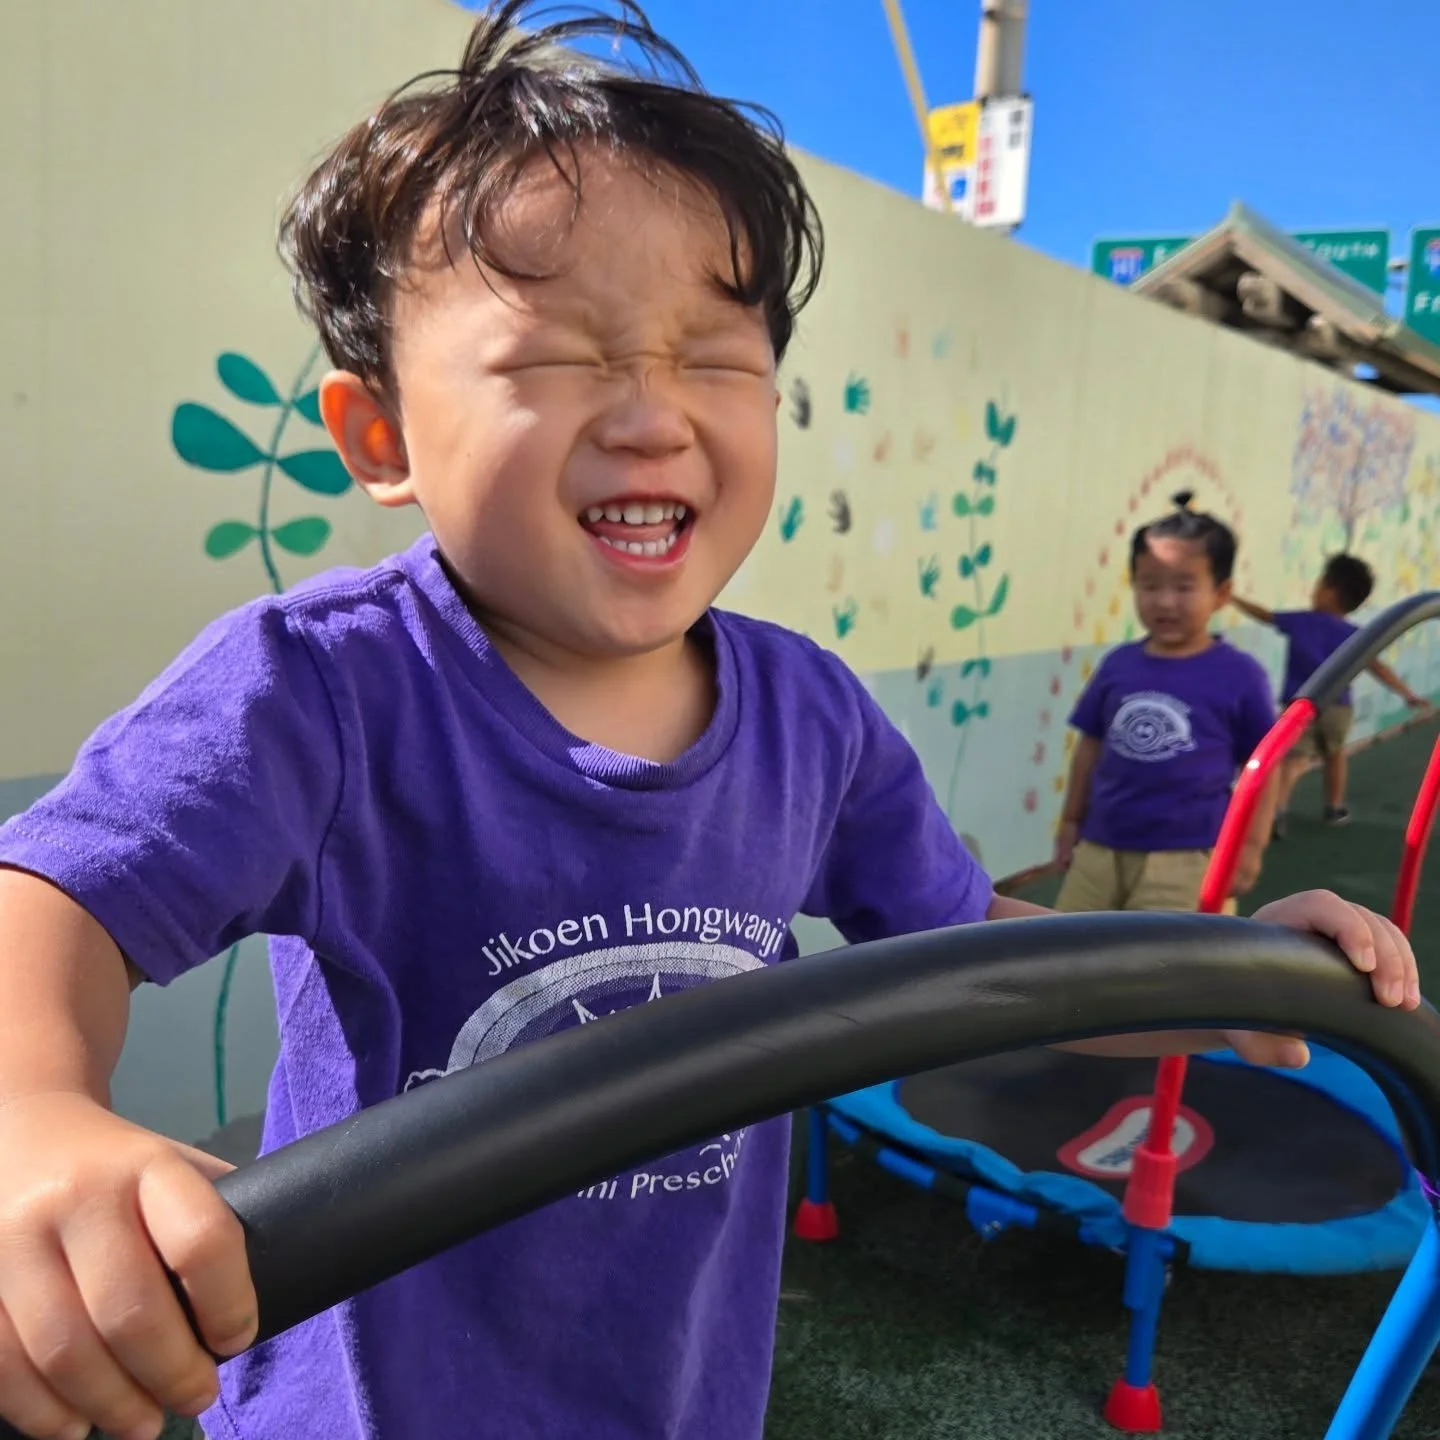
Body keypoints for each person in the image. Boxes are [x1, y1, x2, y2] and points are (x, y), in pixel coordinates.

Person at [0, 8, 1418, 1440]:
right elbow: (57, 894)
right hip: (373, 1409)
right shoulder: (322, 687)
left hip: (680, 1395)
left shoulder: (809, 716)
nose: (652, 419)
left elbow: (983, 959)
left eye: (715, 358)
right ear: (383, 437)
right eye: (561, 357)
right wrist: (36, 1113)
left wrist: (1220, 979)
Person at [1054, 492, 1279, 914]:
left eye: (1184, 586)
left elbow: (1264, 768)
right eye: (1150, 585)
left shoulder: (1240, 675)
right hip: (1100, 850)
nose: (1164, 601)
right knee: (1070, 955)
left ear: (1222, 592)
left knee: (1170, 970)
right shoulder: (1118, 665)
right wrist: (1070, 822)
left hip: (1190, 860)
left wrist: (1250, 846)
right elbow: (1090, 747)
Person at [1232, 553, 1429, 834]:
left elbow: (1265, 616)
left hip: (1300, 707)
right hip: (1339, 709)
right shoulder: (1354, 633)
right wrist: (1406, 693)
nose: (1314, 591)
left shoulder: (1302, 621)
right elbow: (1377, 667)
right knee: (1335, 755)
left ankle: (1278, 810)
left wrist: (1233, 599)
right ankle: (1334, 807)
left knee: (1293, 760)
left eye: (1318, 584)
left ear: (1329, 591)